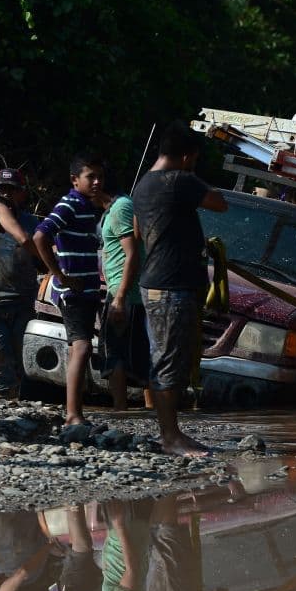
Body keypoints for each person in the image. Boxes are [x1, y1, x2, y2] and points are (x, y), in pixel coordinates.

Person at [133, 120, 227, 456]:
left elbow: (138, 231)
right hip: (172, 285)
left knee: (166, 357)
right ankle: (170, 437)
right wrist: (193, 177)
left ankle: (170, 433)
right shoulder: (180, 180)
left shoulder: (143, 185)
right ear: (188, 157)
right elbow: (219, 203)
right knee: (170, 361)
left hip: (156, 282)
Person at [34, 155, 108, 425]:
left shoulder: (86, 206)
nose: (97, 182)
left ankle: (76, 412)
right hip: (73, 292)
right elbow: (40, 235)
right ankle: (73, 415)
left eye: (100, 176)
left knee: (80, 347)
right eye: (91, 177)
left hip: (86, 291)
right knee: (82, 347)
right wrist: (59, 275)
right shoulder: (70, 204)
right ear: (74, 180)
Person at [0, 168, 41, 399]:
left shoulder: (32, 224)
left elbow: (41, 248)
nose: (7, 194)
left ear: (22, 193)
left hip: (23, 305)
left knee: (27, 364)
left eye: (12, 189)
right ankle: (4, 413)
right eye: (2, 189)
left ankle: (23, 410)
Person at [99, 188, 151, 410]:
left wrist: (119, 298)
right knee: (140, 355)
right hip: (128, 292)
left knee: (115, 353)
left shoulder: (120, 208)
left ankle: (120, 410)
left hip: (125, 293)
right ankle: (152, 413)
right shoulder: (113, 210)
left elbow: (132, 254)